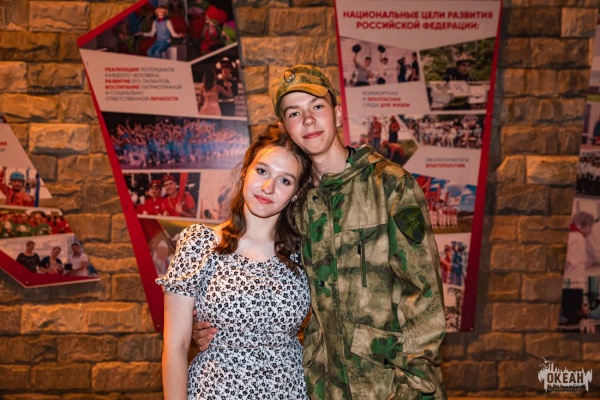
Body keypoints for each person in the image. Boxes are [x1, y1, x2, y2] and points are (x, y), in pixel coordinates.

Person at [194, 64, 447, 399]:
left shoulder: (389, 185)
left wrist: (415, 384)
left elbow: (425, 294)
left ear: (337, 114)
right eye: (294, 113)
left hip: (389, 384)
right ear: (285, 128)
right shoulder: (293, 203)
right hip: (321, 384)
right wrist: (215, 328)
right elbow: (262, 278)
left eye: (317, 106)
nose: (308, 120)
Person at [157, 131, 313, 399]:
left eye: (284, 180)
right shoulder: (200, 243)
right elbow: (175, 346)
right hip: (216, 391)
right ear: (245, 171)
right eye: (262, 171)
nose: (268, 187)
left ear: (296, 193)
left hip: (289, 391)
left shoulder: (305, 252)